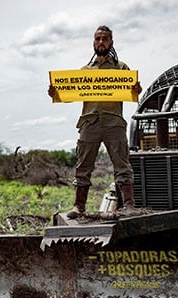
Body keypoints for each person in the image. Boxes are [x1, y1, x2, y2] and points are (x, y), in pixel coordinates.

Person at [48, 25, 142, 218]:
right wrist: (55, 92)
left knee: (122, 164)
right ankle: (78, 206)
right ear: (93, 42)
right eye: (98, 38)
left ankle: (129, 205)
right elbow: (70, 93)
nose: (101, 42)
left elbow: (132, 92)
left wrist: (136, 89)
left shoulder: (121, 68)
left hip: (113, 123)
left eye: (105, 39)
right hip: (89, 123)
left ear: (111, 43)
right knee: (83, 165)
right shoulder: (85, 71)